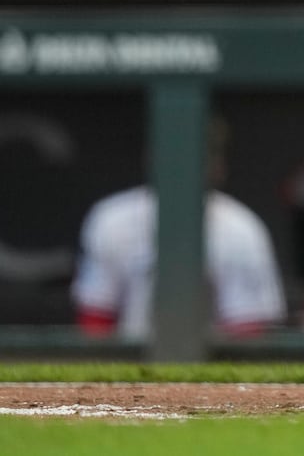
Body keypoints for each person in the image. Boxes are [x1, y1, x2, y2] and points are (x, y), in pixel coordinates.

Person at [72, 120, 286, 340]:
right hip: (128, 365)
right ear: (151, 157)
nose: (183, 165)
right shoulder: (111, 218)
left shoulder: (241, 229)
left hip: (210, 367)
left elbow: (247, 332)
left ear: (219, 165)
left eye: (202, 156)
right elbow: (95, 320)